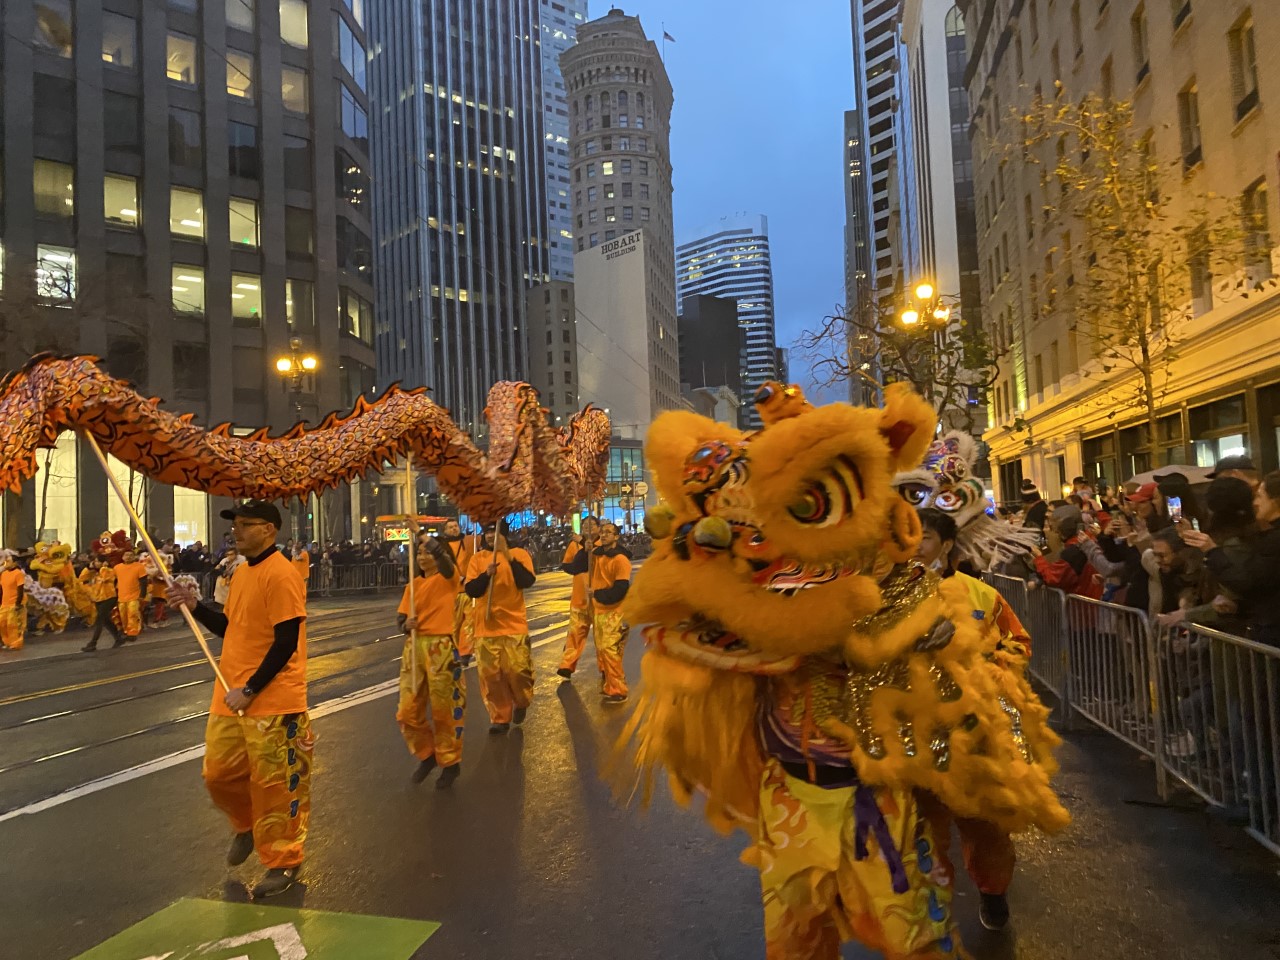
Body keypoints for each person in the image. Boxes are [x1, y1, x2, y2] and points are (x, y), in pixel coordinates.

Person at [169, 499, 312, 899]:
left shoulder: (282, 574)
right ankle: (246, 825)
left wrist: (251, 689)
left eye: (247, 524)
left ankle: (283, 861)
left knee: (277, 785)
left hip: (272, 700)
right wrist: (194, 606)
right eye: (236, 524)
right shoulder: (240, 572)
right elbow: (231, 628)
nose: (237, 531)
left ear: (269, 529)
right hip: (229, 695)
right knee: (218, 775)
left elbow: (286, 642)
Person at [915, 508, 1026, 931]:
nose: (913, 546)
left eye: (923, 536)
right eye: (906, 535)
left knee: (984, 822)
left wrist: (986, 669)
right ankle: (931, 903)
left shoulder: (980, 595)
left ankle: (993, 892)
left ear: (946, 545)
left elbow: (1018, 643)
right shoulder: (882, 597)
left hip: (973, 729)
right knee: (922, 823)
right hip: (915, 733)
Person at [395, 531, 464, 788]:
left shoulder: (449, 578)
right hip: (414, 649)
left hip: (441, 648)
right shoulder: (411, 587)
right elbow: (401, 620)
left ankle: (450, 762)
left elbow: (446, 563)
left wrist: (423, 536)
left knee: (445, 709)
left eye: (427, 552)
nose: (423, 557)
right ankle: (427, 754)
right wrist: (406, 625)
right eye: (419, 553)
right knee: (407, 710)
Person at [464, 520, 537, 734]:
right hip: (486, 627)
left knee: (517, 671)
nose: (489, 536)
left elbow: (526, 581)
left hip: (514, 626)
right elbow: (472, 590)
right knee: (491, 676)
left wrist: (507, 555)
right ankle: (500, 716)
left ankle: (522, 701)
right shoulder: (478, 559)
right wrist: (485, 575)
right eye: (487, 533)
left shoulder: (520, 555)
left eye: (494, 533)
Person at [588, 520, 633, 703]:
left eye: (609, 532)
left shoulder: (620, 559)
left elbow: (621, 588)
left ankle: (618, 690)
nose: (604, 534)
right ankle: (611, 686)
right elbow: (577, 566)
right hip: (599, 611)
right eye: (602, 531)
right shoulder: (597, 555)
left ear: (616, 536)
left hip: (615, 611)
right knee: (603, 650)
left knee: (609, 649)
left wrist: (597, 593)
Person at [556, 516, 599, 681]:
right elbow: (567, 565)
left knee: (602, 638)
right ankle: (567, 665)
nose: (588, 527)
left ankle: (605, 668)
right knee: (575, 635)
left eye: (591, 525)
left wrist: (584, 543)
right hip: (579, 597)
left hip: (599, 599)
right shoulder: (574, 545)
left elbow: (598, 555)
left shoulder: (603, 543)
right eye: (584, 525)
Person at [438, 520, 476, 666]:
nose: (454, 529)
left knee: (469, 623)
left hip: (467, 590)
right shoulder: (442, 547)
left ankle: (465, 653)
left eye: (455, 526)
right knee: (454, 624)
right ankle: (454, 650)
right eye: (450, 527)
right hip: (451, 591)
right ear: (445, 530)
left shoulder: (468, 542)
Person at [81, 559, 124, 652]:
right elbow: (82, 578)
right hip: (98, 599)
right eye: (95, 561)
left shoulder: (109, 570)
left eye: (98, 561)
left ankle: (93, 643)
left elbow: (105, 578)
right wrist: (88, 568)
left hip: (109, 598)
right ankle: (118, 638)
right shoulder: (94, 573)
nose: (96, 563)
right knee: (105, 620)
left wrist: (104, 567)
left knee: (99, 620)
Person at [113, 550, 149, 643]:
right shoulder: (117, 568)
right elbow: (114, 581)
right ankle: (126, 631)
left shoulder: (139, 567)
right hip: (121, 596)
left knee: (133, 614)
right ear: (122, 557)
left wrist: (142, 595)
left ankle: (133, 633)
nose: (128, 557)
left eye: (130, 555)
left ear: (134, 557)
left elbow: (143, 582)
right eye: (126, 555)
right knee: (123, 615)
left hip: (134, 596)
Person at [0, 552, 25, 651]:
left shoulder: (18, 573)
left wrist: (18, 604)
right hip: (4, 603)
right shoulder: (4, 574)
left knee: (13, 625)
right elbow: (2, 589)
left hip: (14, 603)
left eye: (9, 561)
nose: (6, 563)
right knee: (2, 624)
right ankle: (6, 642)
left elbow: (20, 589)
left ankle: (15, 643)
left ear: (15, 563)